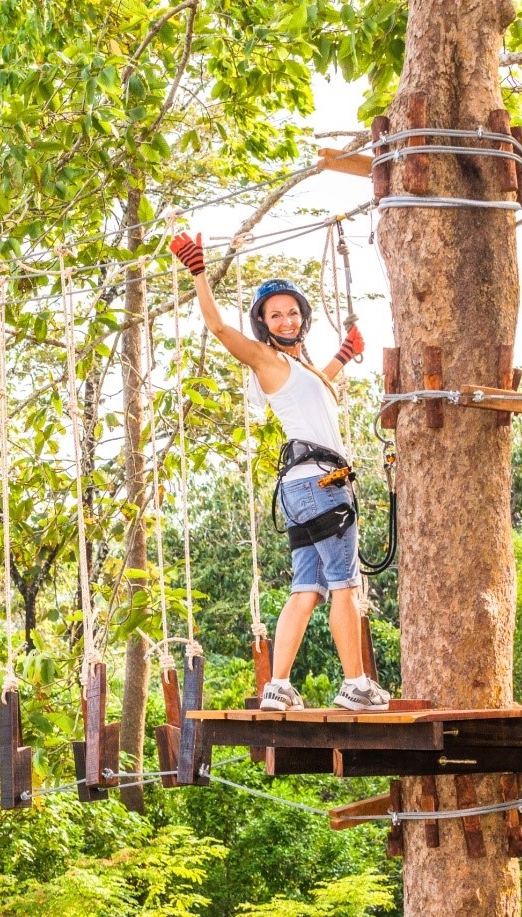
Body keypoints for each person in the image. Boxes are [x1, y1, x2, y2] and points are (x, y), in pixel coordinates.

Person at [169, 231, 390, 712]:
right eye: (275, 315)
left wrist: (342, 357)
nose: (286, 319)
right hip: (321, 485)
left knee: (307, 588)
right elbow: (219, 329)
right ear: (263, 324)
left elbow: (315, 391)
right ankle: (356, 684)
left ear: (303, 318)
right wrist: (198, 272)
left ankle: (279, 685)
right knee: (345, 584)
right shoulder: (265, 359)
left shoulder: (297, 369)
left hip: (299, 489)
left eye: (292, 312)